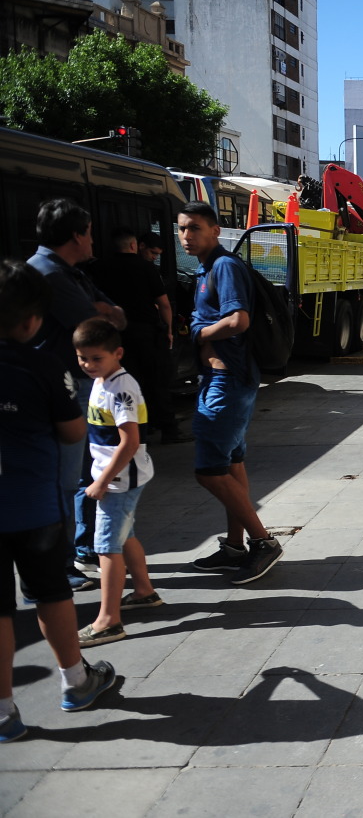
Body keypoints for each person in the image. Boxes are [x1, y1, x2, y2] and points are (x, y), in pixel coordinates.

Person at [0, 261, 119, 743]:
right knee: (50, 593)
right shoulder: (41, 364)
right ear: (32, 320)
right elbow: (72, 429)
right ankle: (76, 681)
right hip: (35, 505)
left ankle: (5, 714)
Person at [179, 202, 284, 585]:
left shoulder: (223, 267)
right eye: (182, 229)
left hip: (228, 381)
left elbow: (239, 320)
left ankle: (263, 542)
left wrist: (198, 335)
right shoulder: (206, 268)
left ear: (214, 230)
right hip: (224, 378)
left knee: (209, 471)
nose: (186, 236)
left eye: (194, 228)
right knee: (232, 462)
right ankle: (235, 547)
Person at [26, 199, 127, 592]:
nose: (91, 240)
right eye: (87, 232)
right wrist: (103, 310)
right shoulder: (49, 275)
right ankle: (58, 565)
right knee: (64, 480)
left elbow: (114, 316)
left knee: (84, 474)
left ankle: (78, 551)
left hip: (80, 389)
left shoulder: (71, 273)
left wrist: (105, 310)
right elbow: (99, 325)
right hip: (62, 392)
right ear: (75, 236)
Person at [71, 319, 162, 647]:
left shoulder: (120, 387)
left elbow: (129, 441)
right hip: (115, 477)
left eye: (96, 358)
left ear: (117, 353)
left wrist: (101, 481)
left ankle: (108, 621)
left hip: (119, 480)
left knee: (106, 546)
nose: (88, 364)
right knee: (124, 537)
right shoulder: (102, 380)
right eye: (82, 358)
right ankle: (144, 591)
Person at [89, 227, 186, 444]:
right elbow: (163, 304)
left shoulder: (100, 267)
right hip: (146, 333)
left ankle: (139, 427)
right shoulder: (147, 269)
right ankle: (168, 429)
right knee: (157, 381)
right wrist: (169, 329)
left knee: (125, 381)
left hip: (114, 334)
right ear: (135, 246)